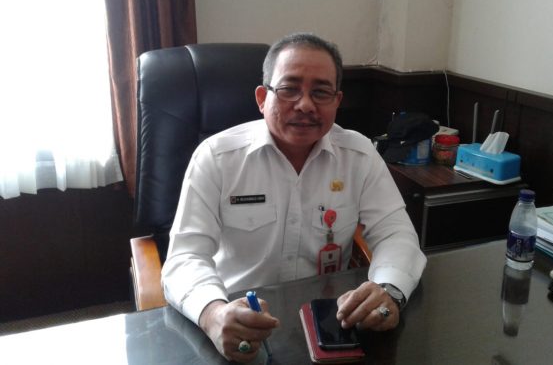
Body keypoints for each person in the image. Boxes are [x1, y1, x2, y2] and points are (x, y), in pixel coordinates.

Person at [162, 32, 427, 363]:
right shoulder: (217, 157)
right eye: (289, 89)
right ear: (262, 98)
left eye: (321, 92)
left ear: (337, 101)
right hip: (238, 325)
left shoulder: (358, 155)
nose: (305, 105)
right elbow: (185, 257)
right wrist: (213, 314)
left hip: (330, 329)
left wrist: (388, 290)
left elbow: (396, 234)